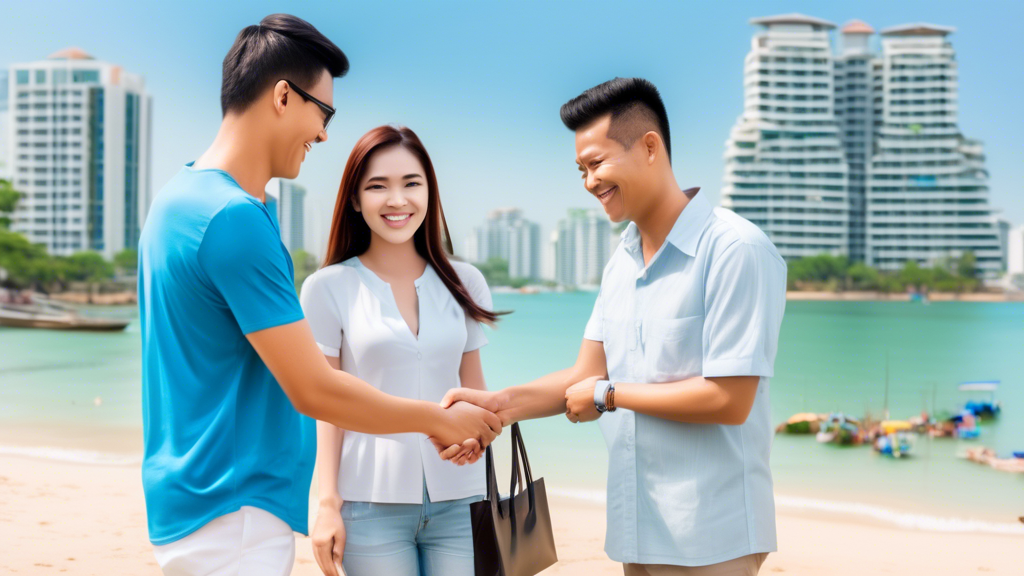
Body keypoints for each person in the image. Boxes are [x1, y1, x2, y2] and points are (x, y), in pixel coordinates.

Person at [138, 15, 499, 576]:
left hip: (195, 497)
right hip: (235, 506)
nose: (325, 133)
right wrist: (435, 419)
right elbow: (313, 389)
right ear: (284, 96)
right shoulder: (234, 219)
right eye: (323, 112)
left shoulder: (178, 199)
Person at [442, 77, 787, 575]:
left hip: (712, 535)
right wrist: (498, 407)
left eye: (597, 163)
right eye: (580, 170)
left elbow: (729, 399)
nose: (589, 182)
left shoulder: (735, 249)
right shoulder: (621, 261)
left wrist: (608, 395)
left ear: (650, 147)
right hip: (636, 530)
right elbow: (584, 374)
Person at [301, 125, 495, 576]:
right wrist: (325, 503)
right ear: (354, 199)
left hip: (464, 501)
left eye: (411, 183)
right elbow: (327, 407)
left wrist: (478, 435)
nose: (397, 200)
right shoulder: (328, 288)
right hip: (369, 506)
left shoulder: (466, 282)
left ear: (430, 190)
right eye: (377, 186)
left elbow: (478, 395)